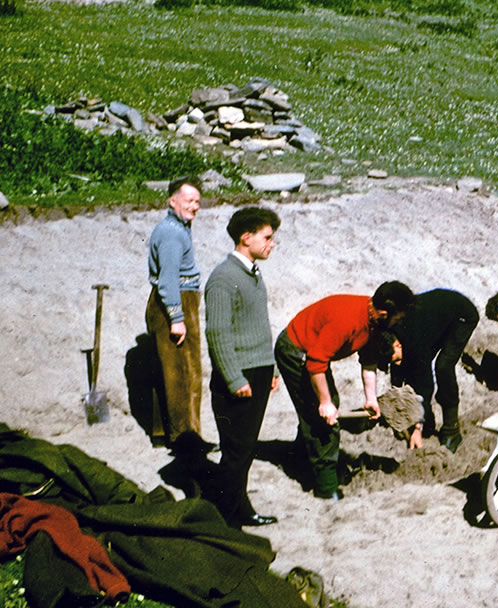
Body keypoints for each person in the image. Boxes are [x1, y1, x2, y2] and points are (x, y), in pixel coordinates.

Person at [274, 282, 414, 499]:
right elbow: (315, 363)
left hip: (314, 354)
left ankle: (300, 459)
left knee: (325, 406)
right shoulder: (348, 321)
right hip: (296, 351)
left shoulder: (375, 322)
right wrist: (324, 403)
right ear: (386, 314)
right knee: (323, 419)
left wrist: (371, 400)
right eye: (399, 317)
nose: (400, 322)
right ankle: (326, 487)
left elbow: (368, 362)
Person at [204, 207, 281, 528]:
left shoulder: (251, 273)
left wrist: (272, 369)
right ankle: (225, 519)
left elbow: (258, 325)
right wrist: (234, 378)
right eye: (267, 237)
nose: (272, 244)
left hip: (258, 371)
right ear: (245, 237)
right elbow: (217, 333)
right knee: (237, 450)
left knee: (245, 449)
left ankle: (240, 509)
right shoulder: (224, 278)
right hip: (239, 376)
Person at [145, 176, 211, 451]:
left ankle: (166, 433)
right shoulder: (172, 233)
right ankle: (187, 439)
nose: (194, 206)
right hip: (176, 301)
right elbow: (168, 279)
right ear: (172, 201)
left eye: (197, 201)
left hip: (175, 300)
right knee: (185, 372)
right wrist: (177, 317)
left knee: (169, 370)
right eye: (189, 200)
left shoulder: (176, 227)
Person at [389, 288, 478, 453]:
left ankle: (452, 430)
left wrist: (417, 427)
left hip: (461, 316)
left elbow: (425, 385)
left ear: (398, 344)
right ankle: (427, 422)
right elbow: (397, 373)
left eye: (397, 357)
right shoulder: (391, 336)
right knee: (408, 368)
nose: (398, 362)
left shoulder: (414, 341)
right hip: (434, 321)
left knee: (443, 367)